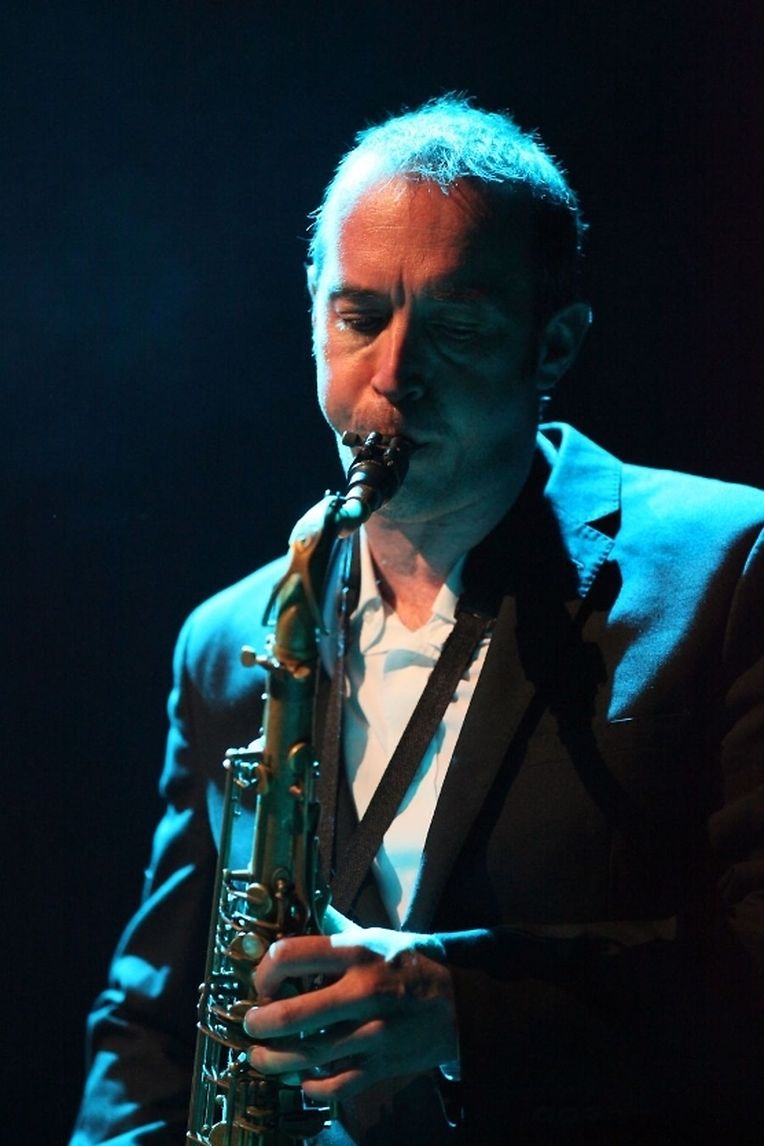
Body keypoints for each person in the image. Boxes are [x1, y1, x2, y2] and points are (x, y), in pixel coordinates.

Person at [72, 96, 763, 1144]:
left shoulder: (730, 568)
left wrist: (465, 1009)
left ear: (553, 346)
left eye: (457, 328)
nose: (393, 377)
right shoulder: (228, 639)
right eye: (359, 320)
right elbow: (152, 1028)